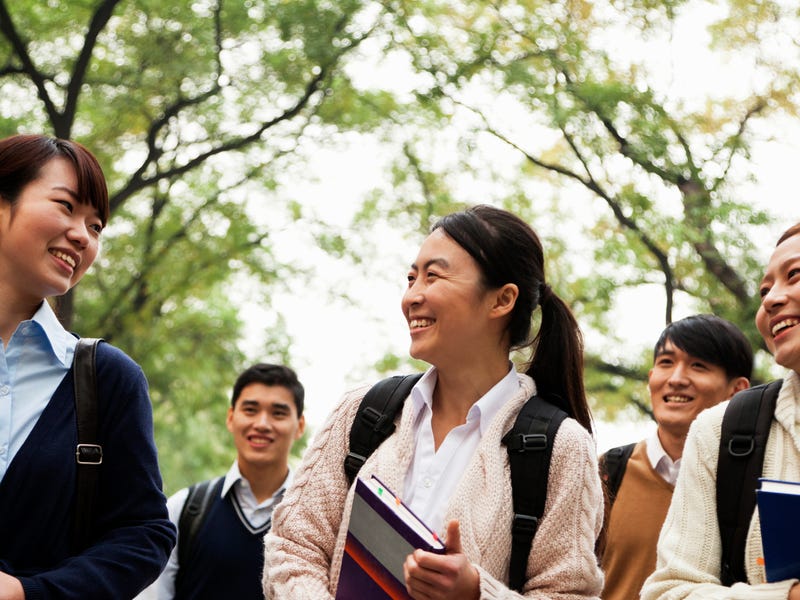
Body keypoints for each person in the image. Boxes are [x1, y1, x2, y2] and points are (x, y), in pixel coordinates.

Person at [262, 204, 604, 599]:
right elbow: (293, 546)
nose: (412, 297)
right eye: (411, 278)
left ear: (502, 300)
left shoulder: (561, 448)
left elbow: (568, 594)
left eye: (433, 276)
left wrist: (475, 593)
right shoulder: (361, 414)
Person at [0, 133, 175, 599]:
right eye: (65, 206)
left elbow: (144, 533)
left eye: (96, 226)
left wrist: (27, 593)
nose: (83, 235)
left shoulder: (106, 379)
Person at [641, 222, 800, 599]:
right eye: (764, 290)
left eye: (794, 275)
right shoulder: (722, 430)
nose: (771, 299)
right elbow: (670, 591)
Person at [599, 314, 752, 600]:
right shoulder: (604, 473)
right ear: (651, 378)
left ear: (738, 391)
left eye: (698, 365)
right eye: (666, 363)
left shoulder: (752, 485)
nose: (677, 379)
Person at [142, 363, 306, 599]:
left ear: (299, 426)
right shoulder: (186, 510)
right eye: (250, 410)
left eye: (278, 413)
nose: (261, 424)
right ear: (231, 418)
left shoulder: (313, 519)